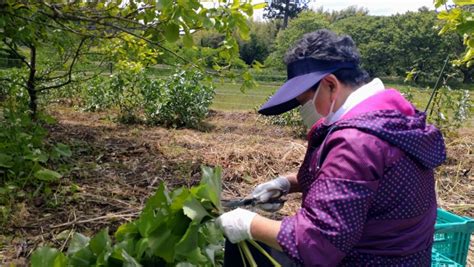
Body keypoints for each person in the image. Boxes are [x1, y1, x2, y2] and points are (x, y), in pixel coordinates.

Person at [216, 29, 446, 266]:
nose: (304, 109)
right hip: (404, 257)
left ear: (330, 85)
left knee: (248, 246)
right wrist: (288, 183)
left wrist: (248, 223)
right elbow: (358, 183)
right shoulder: (389, 117)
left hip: (367, 260)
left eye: (305, 101)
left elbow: (316, 243)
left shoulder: (356, 141)